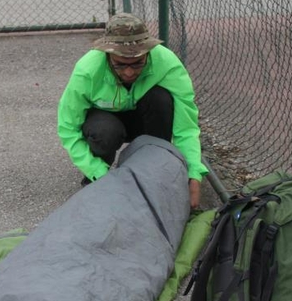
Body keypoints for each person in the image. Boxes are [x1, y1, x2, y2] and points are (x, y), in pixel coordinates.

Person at [57, 13, 208, 209]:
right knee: (105, 131)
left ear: (148, 52)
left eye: (137, 63)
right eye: (120, 64)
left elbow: (186, 127)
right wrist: (100, 174)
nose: (129, 72)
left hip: (144, 119)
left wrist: (193, 174)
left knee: (160, 99)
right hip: (105, 121)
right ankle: (97, 176)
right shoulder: (87, 70)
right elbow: (68, 128)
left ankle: (154, 171)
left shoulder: (167, 63)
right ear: (107, 54)